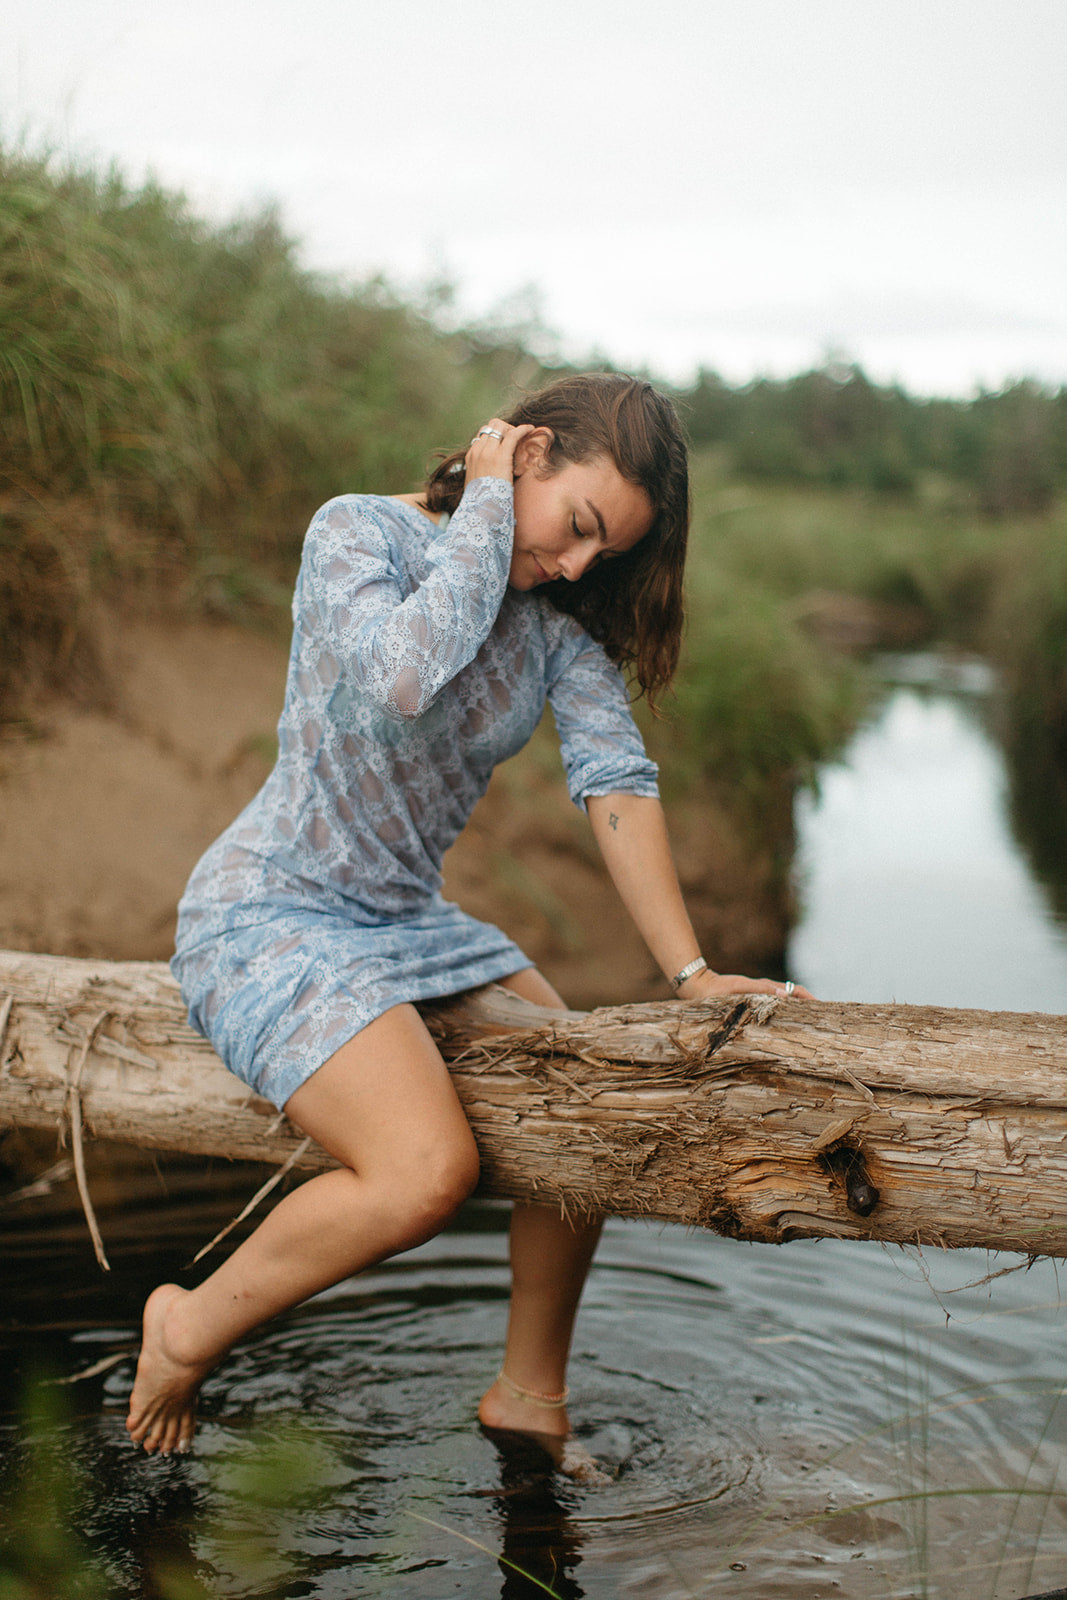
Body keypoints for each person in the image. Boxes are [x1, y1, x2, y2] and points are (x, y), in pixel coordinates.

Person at [126, 371, 810, 1458]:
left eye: (609, 555)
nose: (583, 566)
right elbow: (397, 679)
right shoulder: (356, 534)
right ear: (524, 451)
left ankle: (528, 1394)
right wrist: (486, 514)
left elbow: (616, 781)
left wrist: (692, 974)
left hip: (409, 923)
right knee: (423, 1171)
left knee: (589, 1097)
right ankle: (184, 1323)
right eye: (579, 525)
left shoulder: (552, 629)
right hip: (272, 914)